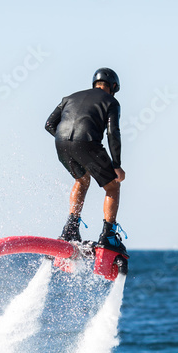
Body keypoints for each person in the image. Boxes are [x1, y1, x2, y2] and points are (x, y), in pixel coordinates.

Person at [45, 67, 127, 254]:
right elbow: (113, 133)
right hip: (87, 143)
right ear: (113, 86)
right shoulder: (111, 102)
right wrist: (116, 165)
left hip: (61, 144)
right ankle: (108, 236)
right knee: (113, 185)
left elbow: (49, 124)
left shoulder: (69, 98)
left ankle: (70, 229)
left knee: (82, 180)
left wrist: (66, 140)